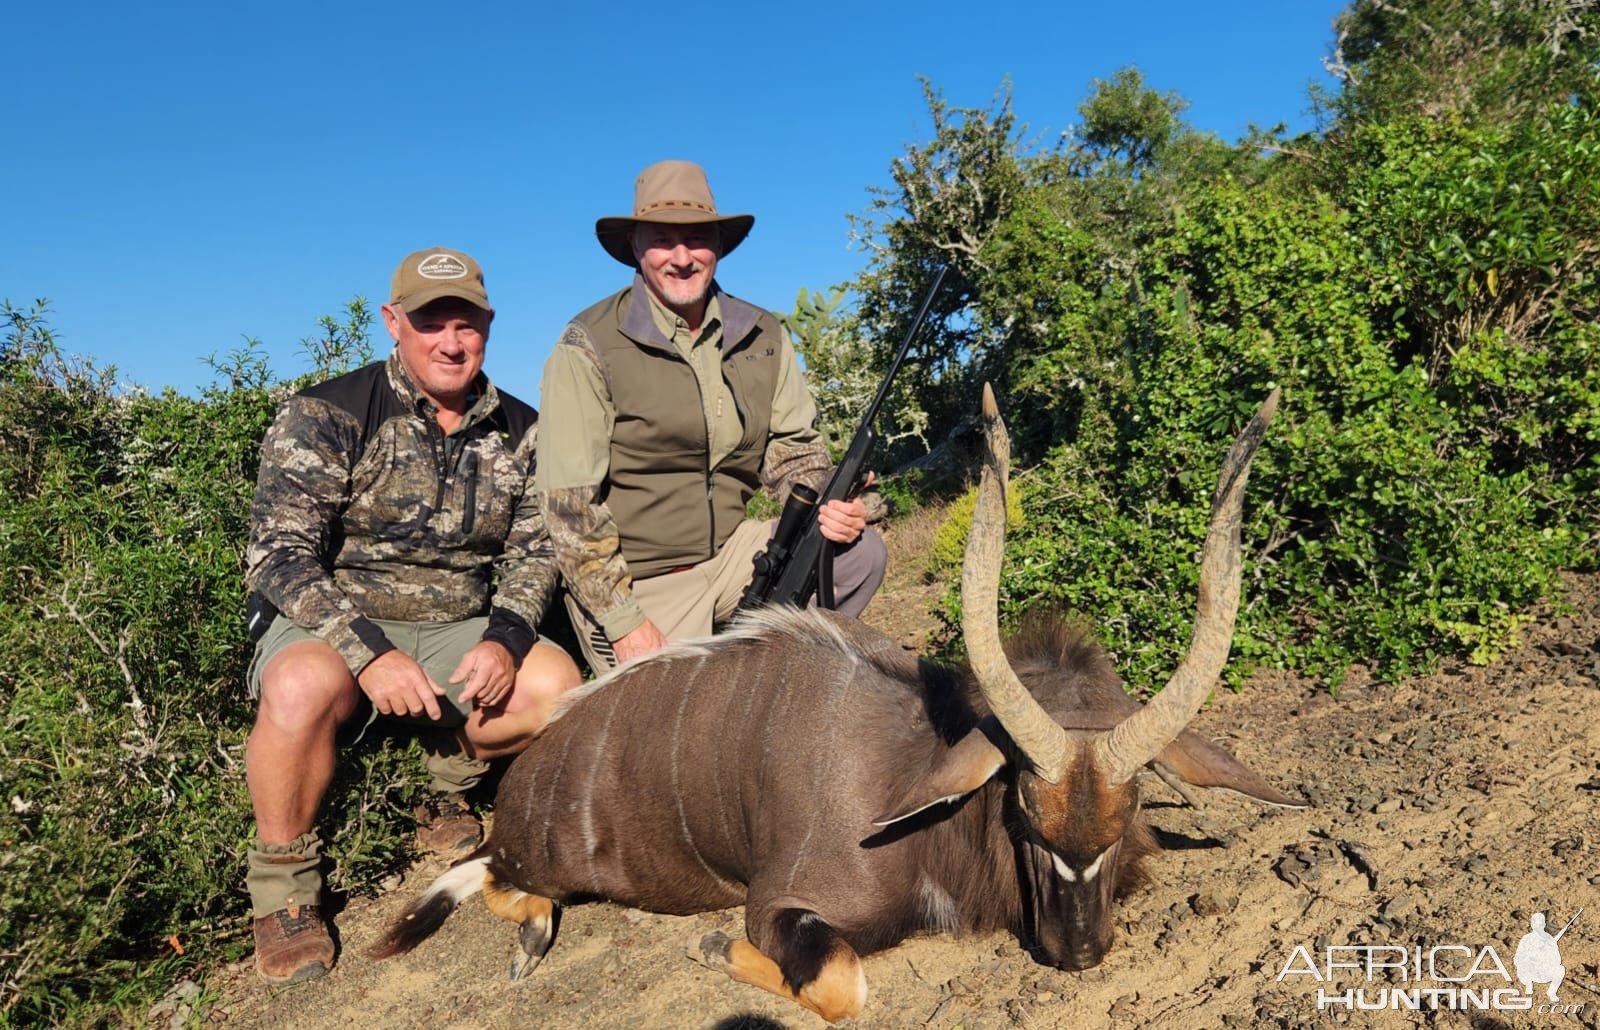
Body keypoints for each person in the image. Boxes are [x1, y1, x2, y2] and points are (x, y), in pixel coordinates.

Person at [242, 246, 581, 985]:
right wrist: (369, 652)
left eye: (467, 324)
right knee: (298, 688)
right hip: (336, 622)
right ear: (395, 323)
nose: (451, 342)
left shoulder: (522, 429)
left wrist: (505, 637)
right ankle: (284, 891)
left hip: (458, 624)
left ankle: (444, 774)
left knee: (559, 690)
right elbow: (278, 556)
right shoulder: (328, 411)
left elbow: (536, 554)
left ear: (489, 327)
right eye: (432, 323)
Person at [536, 160, 886, 673]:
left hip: (733, 555)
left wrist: (842, 505)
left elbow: (796, 454)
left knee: (860, 553)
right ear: (635, 246)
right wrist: (625, 621)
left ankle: (787, 675)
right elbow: (570, 510)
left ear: (718, 245)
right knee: (673, 734)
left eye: (697, 239)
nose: (682, 257)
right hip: (640, 580)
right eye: (662, 239)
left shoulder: (762, 334)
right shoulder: (587, 344)